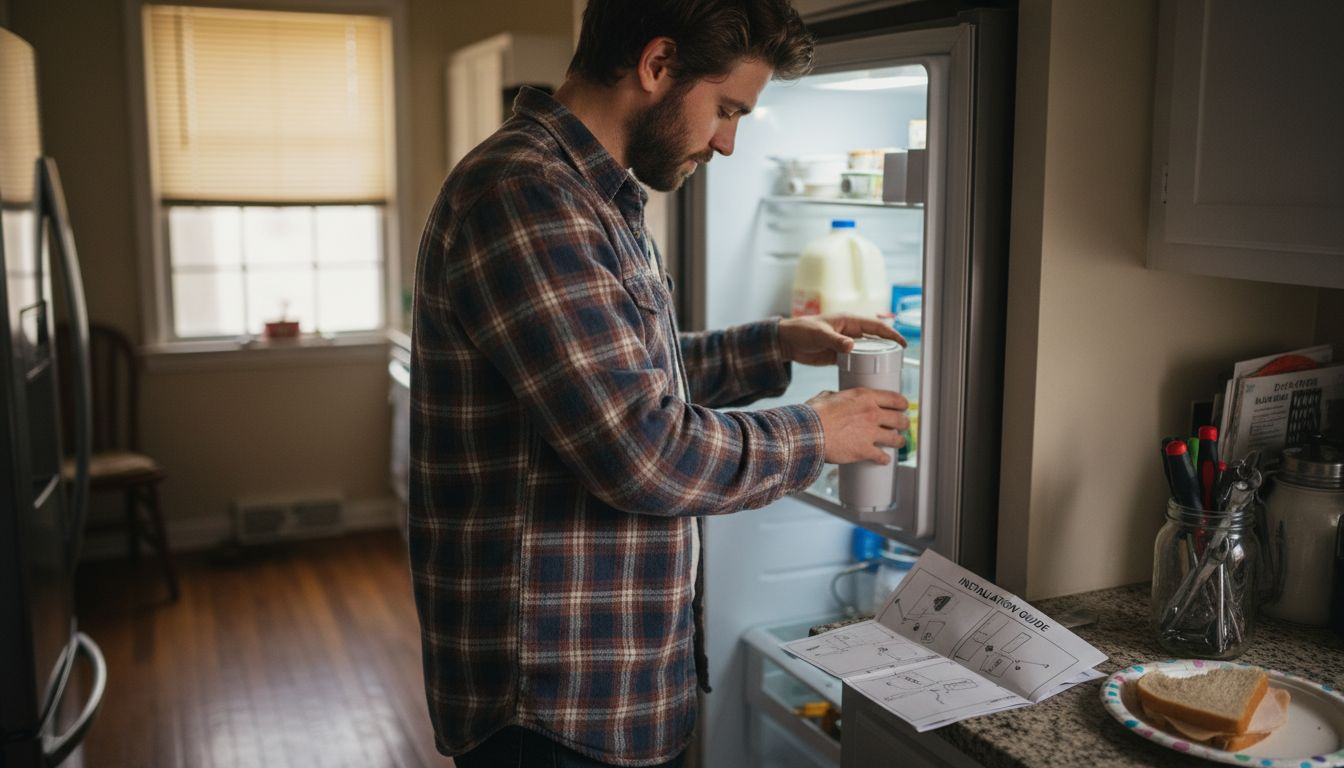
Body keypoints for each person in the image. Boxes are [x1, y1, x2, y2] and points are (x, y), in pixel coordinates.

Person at [409, 1, 909, 766]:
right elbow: (642, 448)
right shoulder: (527, 193)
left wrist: (773, 344)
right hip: (553, 703)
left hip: (616, 682)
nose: (729, 142)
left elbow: (620, 376)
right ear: (656, 65)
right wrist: (819, 431)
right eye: (727, 109)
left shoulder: (594, 193)